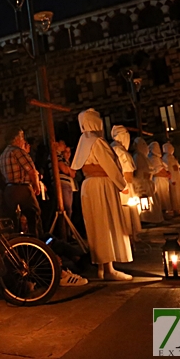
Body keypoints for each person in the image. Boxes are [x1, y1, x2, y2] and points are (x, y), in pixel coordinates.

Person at [70, 109, 132, 281]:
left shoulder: (83, 141)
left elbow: (83, 167)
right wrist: (122, 184)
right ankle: (109, 268)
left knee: (97, 226)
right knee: (106, 223)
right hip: (102, 186)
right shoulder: (97, 141)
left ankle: (101, 266)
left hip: (89, 186)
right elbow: (110, 166)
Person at [0, 127, 42, 236]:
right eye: (22, 138)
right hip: (22, 188)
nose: (24, 141)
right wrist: (36, 186)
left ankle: (16, 243)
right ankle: (36, 242)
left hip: (9, 189)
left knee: (13, 220)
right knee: (34, 214)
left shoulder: (3, 154)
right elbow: (32, 171)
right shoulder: (18, 151)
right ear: (17, 139)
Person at [110, 126, 141, 240]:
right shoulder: (118, 150)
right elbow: (124, 170)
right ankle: (128, 234)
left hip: (125, 185)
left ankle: (130, 234)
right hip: (124, 186)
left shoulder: (117, 148)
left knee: (128, 211)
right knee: (126, 212)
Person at [132, 138, 163, 224]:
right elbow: (138, 170)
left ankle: (152, 218)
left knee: (152, 201)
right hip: (142, 182)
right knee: (145, 201)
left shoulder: (143, 157)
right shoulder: (137, 156)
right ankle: (146, 219)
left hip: (148, 182)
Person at [163, 143, 180, 212]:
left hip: (177, 177)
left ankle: (179, 208)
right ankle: (175, 209)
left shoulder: (171, 157)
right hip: (173, 178)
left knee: (178, 192)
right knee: (174, 193)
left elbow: (177, 166)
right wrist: (172, 179)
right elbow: (168, 169)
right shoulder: (166, 157)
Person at [148, 141, 172, 215]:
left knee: (164, 195)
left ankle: (164, 211)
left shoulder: (157, 158)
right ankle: (162, 212)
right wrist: (166, 174)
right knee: (161, 196)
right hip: (159, 179)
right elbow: (159, 169)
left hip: (162, 179)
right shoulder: (153, 158)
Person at [55, 140, 77, 219]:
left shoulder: (62, 158)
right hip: (63, 184)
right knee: (66, 208)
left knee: (69, 210)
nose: (64, 146)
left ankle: (67, 229)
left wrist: (68, 170)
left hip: (68, 185)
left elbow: (73, 173)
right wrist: (68, 170)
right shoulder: (56, 156)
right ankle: (65, 229)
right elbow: (64, 169)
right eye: (63, 144)